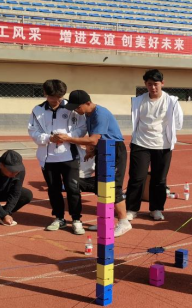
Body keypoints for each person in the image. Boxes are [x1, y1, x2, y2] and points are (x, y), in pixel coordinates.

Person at [54, 90, 133, 237]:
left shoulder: (100, 114)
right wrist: (92, 151)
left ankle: (124, 222)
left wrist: (67, 138)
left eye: (78, 107)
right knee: (102, 186)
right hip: (103, 150)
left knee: (113, 187)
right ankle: (106, 221)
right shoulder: (88, 114)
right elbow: (96, 140)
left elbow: (93, 139)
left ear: (88, 103)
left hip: (114, 150)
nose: (76, 111)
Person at [28, 79, 88, 235]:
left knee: (73, 189)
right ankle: (59, 218)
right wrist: (49, 138)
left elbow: (82, 127)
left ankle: (76, 219)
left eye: (60, 97)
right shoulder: (37, 110)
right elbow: (33, 132)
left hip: (70, 156)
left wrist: (68, 137)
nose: (57, 100)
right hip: (48, 158)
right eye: (53, 97)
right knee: (54, 190)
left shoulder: (72, 107)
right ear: (45, 94)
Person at [125, 69, 184, 222]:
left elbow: (178, 122)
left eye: (156, 84)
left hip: (162, 145)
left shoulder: (171, 101)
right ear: (145, 84)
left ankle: (156, 209)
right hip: (140, 143)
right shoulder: (138, 101)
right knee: (137, 177)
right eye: (149, 84)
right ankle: (132, 209)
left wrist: (167, 134)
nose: (153, 87)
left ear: (162, 83)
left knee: (159, 179)